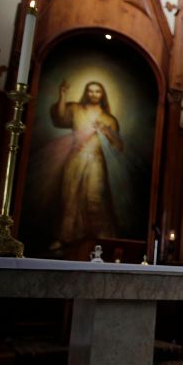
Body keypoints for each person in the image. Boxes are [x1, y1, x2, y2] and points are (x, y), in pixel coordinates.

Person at [49, 80, 122, 247]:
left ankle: (99, 239)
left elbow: (118, 146)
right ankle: (65, 238)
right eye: (90, 91)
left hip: (96, 161)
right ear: (86, 93)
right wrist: (63, 95)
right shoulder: (75, 108)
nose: (94, 94)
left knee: (95, 199)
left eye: (97, 91)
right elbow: (59, 119)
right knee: (69, 197)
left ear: (102, 94)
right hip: (76, 157)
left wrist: (106, 131)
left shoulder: (108, 118)